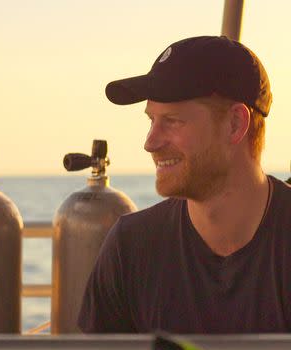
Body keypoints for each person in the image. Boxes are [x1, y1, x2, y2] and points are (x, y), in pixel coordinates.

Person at [78, 35, 291, 334]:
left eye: (173, 121)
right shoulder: (131, 247)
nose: (150, 143)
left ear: (235, 124)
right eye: (151, 120)